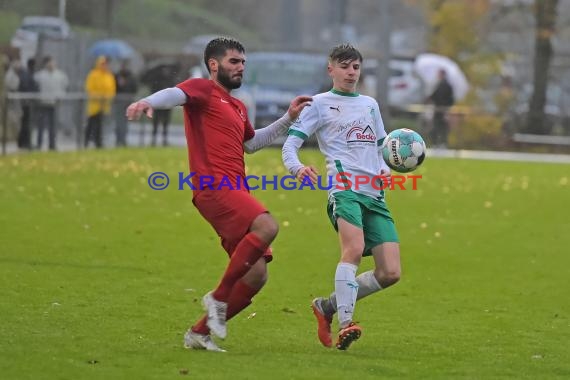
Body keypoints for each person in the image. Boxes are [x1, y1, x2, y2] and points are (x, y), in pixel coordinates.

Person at [126, 37, 311, 352]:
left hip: (235, 189)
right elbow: (175, 94)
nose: (240, 68)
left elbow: (251, 144)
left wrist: (289, 118)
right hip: (214, 186)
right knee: (267, 226)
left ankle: (198, 334)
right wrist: (148, 101)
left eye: (242, 63)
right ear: (214, 64)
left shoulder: (237, 106)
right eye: (233, 62)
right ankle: (218, 296)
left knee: (256, 276)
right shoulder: (203, 89)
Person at [282, 44, 401, 351]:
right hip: (344, 187)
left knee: (390, 273)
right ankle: (347, 323)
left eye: (356, 68)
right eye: (345, 66)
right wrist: (296, 168)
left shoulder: (370, 104)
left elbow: (381, 147)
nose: (351, 73)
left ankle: (327, 306)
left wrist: (386, 167)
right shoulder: (319, 104)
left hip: (374, 193)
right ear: (330, 69)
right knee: (354, 248)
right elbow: (289, 146)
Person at [34, 56, 68, 151]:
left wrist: (61, 97)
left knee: (53, 126)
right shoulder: (40, 75)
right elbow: (36, 87)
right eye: (49, 62)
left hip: (54, 104)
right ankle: (39, 144)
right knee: (41, 126)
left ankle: (52, 144)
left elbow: (64, 87)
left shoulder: (61, 75)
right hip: (43, 103)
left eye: (52, 62)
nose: (51, 64)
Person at [85, 56, 116, 148]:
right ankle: (87, 142)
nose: (105, 66)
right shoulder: (93, 74)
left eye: (106, 64)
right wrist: (98, 96)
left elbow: (112, 89)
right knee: (92, 124)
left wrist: (107, 97)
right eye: (103, 64)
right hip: (95, 105)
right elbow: (90, 88)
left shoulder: (109, 75)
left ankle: (99, 143)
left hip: (105, 105)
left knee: (101, 125)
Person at [427, 68, 454, 148]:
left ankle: (440, 143)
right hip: (438, 109)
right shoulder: (438, 84)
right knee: (438, 127)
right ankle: (437, 143)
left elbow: (449, 99)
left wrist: (446, 109)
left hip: (442, 109)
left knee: (441, 127)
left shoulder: (446, 85)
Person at [114, 60, 138, 147]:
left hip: (128, 102)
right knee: (118, 122)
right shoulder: (117, 76)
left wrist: (125, 84)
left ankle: (123, 141)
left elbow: (134, 89)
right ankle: (118, 141)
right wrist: (119, 84)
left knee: (124, 123)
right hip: (118, 102)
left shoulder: (131, 77)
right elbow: (114, 88)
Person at [17, 58, 38, 150]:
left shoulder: (27, 74)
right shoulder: (28, 74)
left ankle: (22, 142)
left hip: (26, 102)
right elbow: (27, 87)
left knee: (25, 123)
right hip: (27, 102)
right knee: (27, 123)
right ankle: (26, 142)